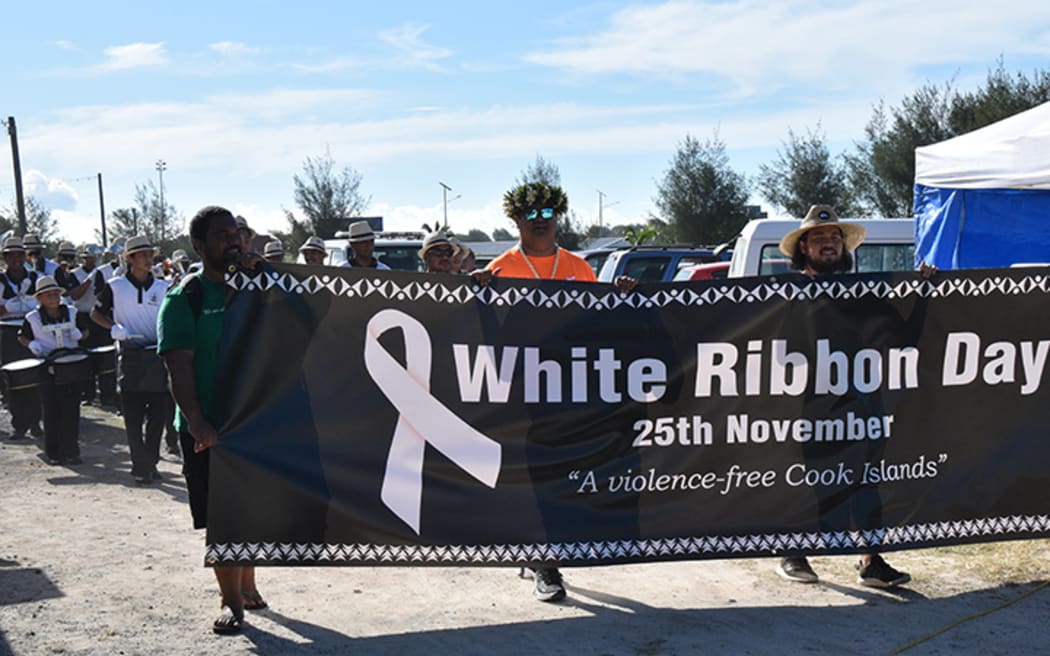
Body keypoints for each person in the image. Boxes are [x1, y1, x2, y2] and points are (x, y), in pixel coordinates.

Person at [472, 181, 636, 603]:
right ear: (516, 220)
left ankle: (540, 549)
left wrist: (620, 298)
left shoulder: (579, 267)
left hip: (570, 390)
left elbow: (600, 323)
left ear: (558, 218)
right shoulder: (500, 269)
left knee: (564, 473)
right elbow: (480, 334)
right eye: (532, 216)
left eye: (549, 215)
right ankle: (546, 563)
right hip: (523, 392)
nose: (541, 223)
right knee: (533, 477)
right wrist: (475, 297)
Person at [773, 204, 927, 589]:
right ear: (803, 249)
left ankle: (871, 561)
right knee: (808, 480)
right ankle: (793, 553)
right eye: (819, 238)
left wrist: (923, 294)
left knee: (866, 480)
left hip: (861, 404)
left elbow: (902, 339)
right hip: (809, 406)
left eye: (834, 237)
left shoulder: (864, 294)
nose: (829, 244)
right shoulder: (786, 296)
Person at [158, 205, 264, 635]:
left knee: (252, 512)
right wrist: (198, 421)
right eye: (222, 235)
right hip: (211, 430)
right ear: (200, 246)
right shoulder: (186, 297)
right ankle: (230, 601)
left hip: (255, 424)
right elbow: (178, 367)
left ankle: (250, 587)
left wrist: (266, 270)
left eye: (237, 233)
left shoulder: (258, 286)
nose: (233, 240)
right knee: (223, 516)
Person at [91, 236, 172, 485]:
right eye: (143, 255)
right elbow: (96, 313)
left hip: (157, 356)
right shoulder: (114, 286)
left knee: (158, 416)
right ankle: (140, 465)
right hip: (130, 357)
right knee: (134, 418)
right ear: (130, 259)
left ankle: (151, 461)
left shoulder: (162, 287)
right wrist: (113, 326)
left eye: (150, 254)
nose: (149, 259)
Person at [18, 276, 83, 465]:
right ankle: (53, 453)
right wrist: (32, 344)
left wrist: (79, 333)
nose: (54, 298)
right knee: (51, 410)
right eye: (48, 295)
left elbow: (85, 331)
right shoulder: (32, 318)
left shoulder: (71, 312)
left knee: (71, 410)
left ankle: (72, 451)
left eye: (56, 294)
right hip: (47, 367)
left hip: (71, 365)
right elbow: (22, 336)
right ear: (39, 298)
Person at [1, 236, 43, 439]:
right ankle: (19, 423)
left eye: (19, 255)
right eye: (11, 255)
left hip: (33, 329)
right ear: (5, 258)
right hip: (8, 331)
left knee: (36, 378)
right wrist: (7, 307)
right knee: (13, 379)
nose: (16, 259)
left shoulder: (36, 278)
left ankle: (36, 422)